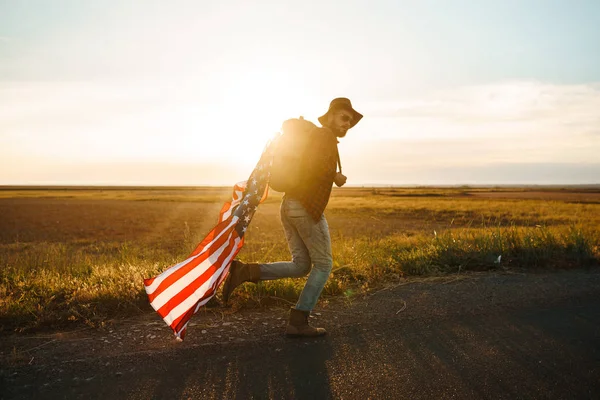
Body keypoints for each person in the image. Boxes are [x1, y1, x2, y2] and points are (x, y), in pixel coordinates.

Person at [222, 97, 363, 337]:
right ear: (330, 115)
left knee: (302, 265)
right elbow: (313, 168)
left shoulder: (317, 137)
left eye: (350, 121)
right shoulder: (325, 137)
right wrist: (334, 177)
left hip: (289, 206)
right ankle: (298, 321)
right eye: (343, 117)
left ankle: (246, 272)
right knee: (324, 264)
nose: (347, 123)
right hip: (305, 208)